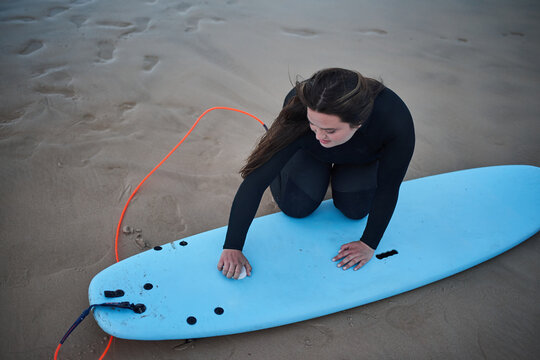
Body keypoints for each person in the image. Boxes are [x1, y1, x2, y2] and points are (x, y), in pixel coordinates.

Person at [217, 68, 415, 279]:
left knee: (355, 210)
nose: (320, 135)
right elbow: (256, 181)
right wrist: (233, 246)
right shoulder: (299, 107)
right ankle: (285, 159)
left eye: (330, 131)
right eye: (313, 124)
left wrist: (369, 243)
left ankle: (339, 171)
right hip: (310, 155)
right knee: (296, 208)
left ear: (358, 123)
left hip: (361, 156)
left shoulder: (394, 119)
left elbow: (389, 188)